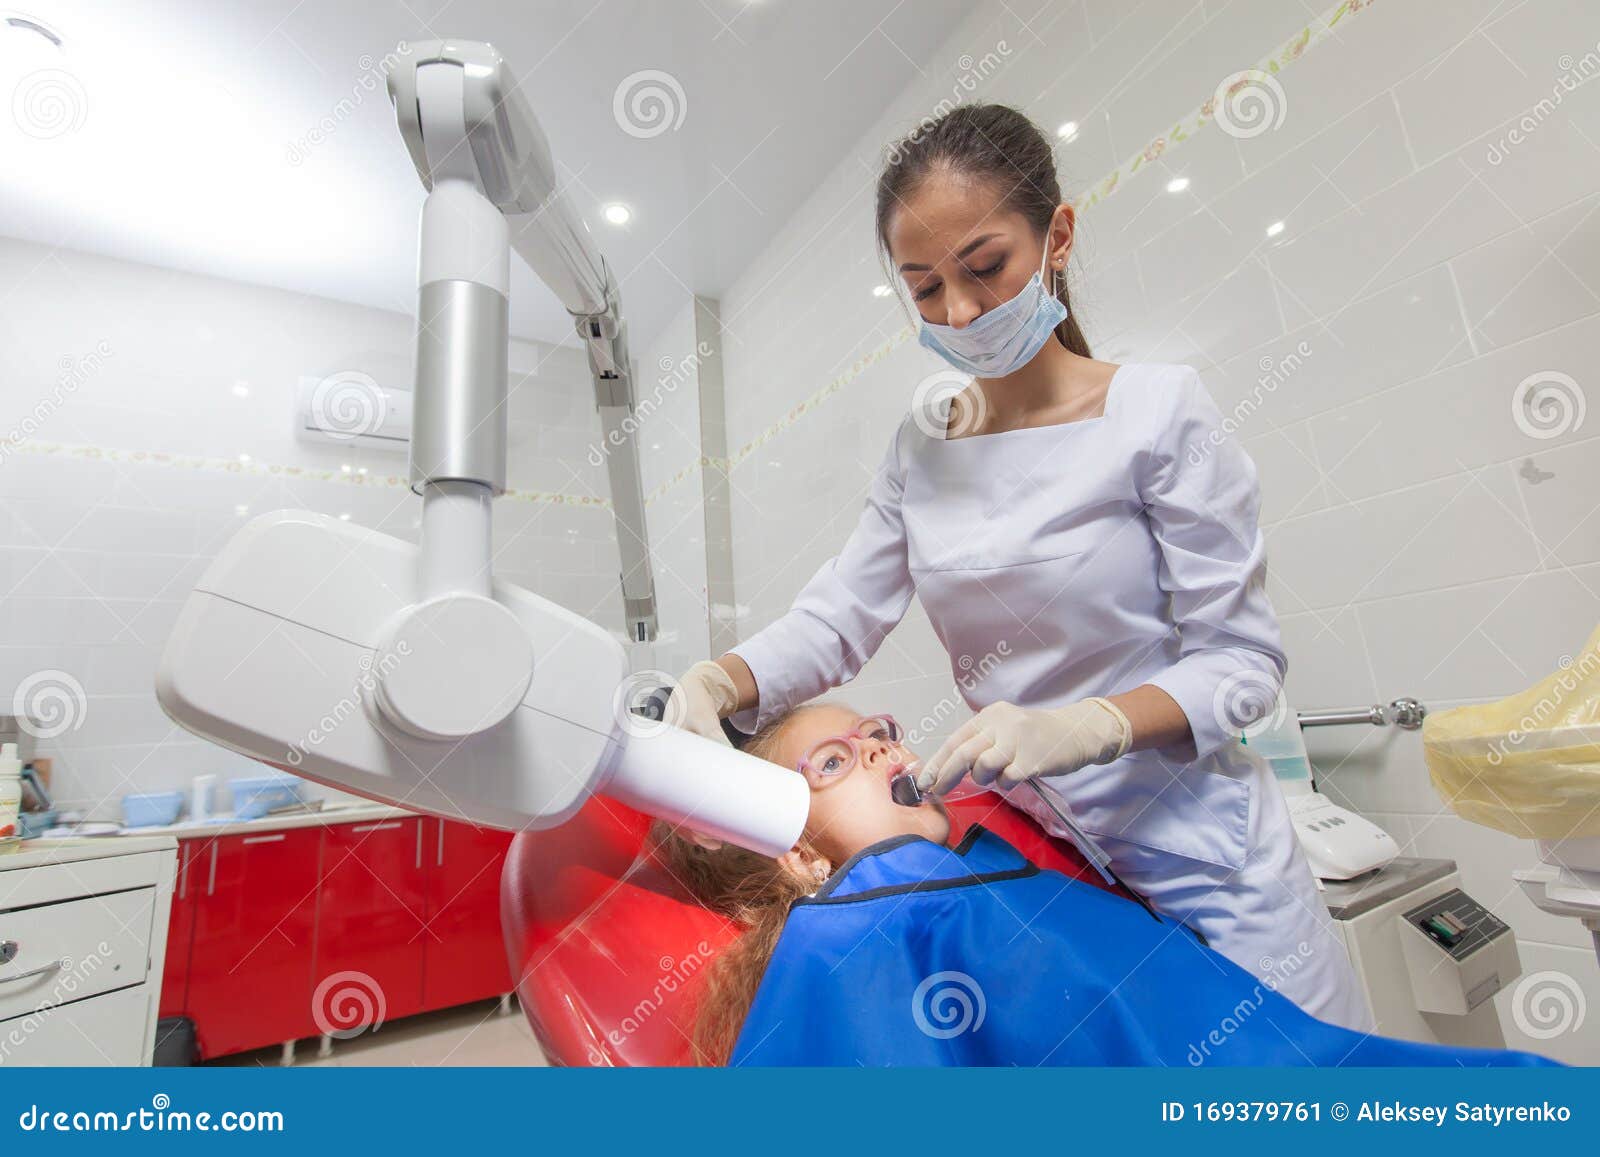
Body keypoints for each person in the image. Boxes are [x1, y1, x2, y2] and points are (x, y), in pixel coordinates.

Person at [667, 101, 1370, 1029]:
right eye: (923, 289)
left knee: (1290, 1084)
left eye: (985, 267)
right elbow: (841, 615)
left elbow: (1241, 670)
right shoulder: (923, 446)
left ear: (1058, 236)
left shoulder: (1157, 412)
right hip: (1041, 857)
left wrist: (1087, 726)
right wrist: (721, 680)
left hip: (1208, 860)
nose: (958, 311)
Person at [657, 702, 1554, 1068]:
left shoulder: (985, 873)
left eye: (880, 728)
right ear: (801, 856)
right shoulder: (846, 943)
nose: (885, 747)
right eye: (837, 760)